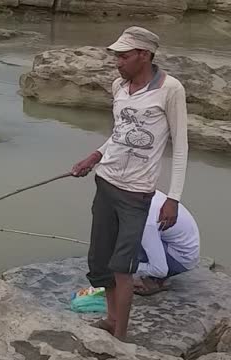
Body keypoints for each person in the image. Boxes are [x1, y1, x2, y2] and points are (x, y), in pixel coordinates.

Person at [71, 26, 189, 341]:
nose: (118, 62)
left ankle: (120, 338)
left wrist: (173, 197)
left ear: (145, 55)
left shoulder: (170, 89)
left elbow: (180, 147)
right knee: (101, 261)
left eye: (124, 56)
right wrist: (94, 156)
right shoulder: (118, 87)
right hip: (106, 182)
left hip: (136, 194)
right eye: (117, 55)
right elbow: (120, 134)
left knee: (123, 266)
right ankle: (110, 320)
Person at [134, 190, 200, 296]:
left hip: (179, 260)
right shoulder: (145, 191)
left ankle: (154, 280)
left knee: (128, 240)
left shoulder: (145, 217)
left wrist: (124, 270)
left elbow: (160, 269)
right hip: (182, 250)